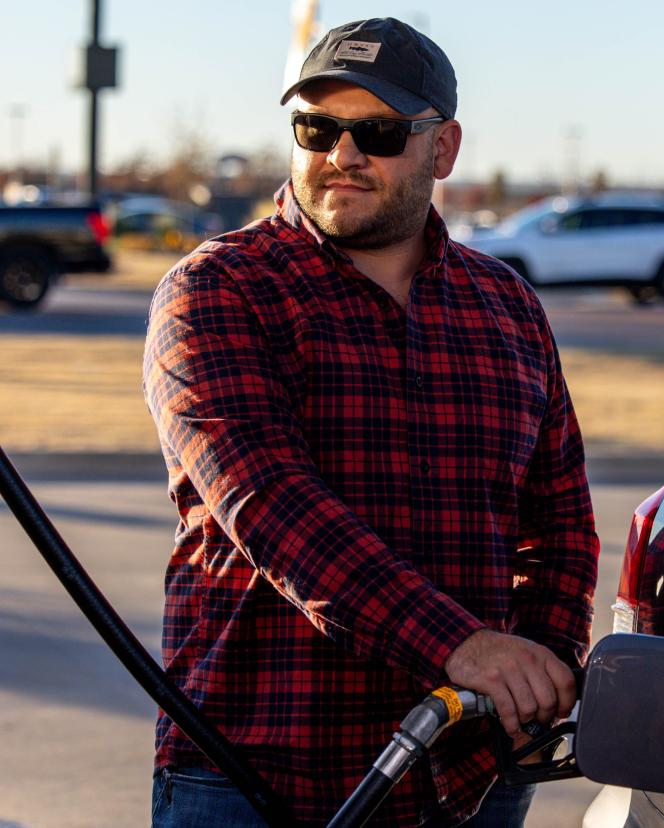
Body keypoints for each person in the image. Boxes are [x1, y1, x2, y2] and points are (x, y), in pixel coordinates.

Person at [142, 18, 599, 827]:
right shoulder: (217, 290)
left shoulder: (508, 307)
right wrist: (465, 648)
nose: (342, 155)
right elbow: (272, 506)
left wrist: (546, 666)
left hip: (472, 780)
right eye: (316, 128)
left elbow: (558, 520)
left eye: (378, 131)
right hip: (262, 772)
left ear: (443, 149)